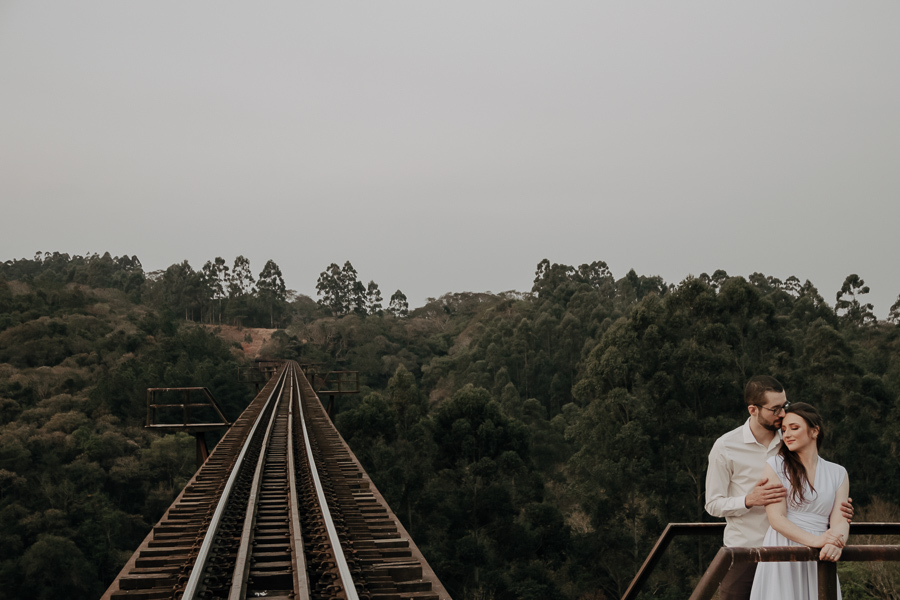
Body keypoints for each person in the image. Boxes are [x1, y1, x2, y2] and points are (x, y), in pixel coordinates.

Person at [705, 376, 852, 600]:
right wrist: (748, 500)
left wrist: (835, 511)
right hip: (747, 548)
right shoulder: (726, 446)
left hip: (799, 548)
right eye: (775, 409)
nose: (783, 413)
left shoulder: (790, 439)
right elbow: (712, 504)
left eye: (784, 405)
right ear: (753, 410)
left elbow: (817, 478)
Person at [749, 403, 850, 599]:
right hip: (784, 546)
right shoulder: (776, 465)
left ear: (814, 431)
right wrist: (816, 541)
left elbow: (841, 519)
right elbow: (776, 518)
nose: (786, 435)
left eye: (794, 428)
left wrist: (836, 543)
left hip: (823, 549)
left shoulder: (838, 472)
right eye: (784, 430)